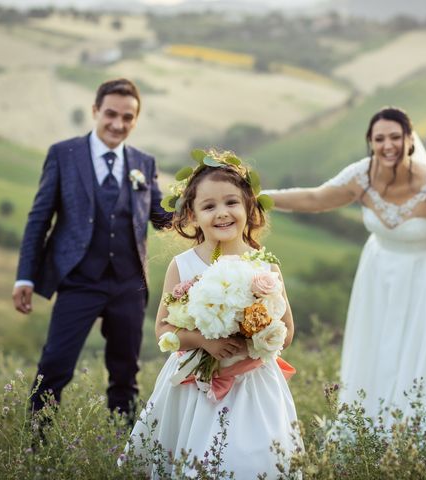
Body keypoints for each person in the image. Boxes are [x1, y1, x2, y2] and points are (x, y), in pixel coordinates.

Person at [263, 107, 426, 422]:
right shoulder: (362, 176)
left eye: (395, 137)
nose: (388, 145)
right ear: (370, 142)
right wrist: (262, 196)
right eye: (380, 138)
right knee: (382, 356)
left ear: (409, 139)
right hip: (379, 280)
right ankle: (383, 429)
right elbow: (316, 198)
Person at [120, 152, 301, 477]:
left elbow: (286, 328)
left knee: (256, 460)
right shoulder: (185, 265)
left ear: (248, 206)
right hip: (196, 387)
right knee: (197, 458)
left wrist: (260, 338)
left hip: (253, 383)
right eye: (209, 206)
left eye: (231, 202)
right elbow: (163, 328)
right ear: (192, 214)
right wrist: (204, 341)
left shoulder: (265, 266)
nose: (222, 213)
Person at [12, 78, 172, 420]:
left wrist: (205, 201)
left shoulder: (144, 163)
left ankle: (123, 453)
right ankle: (35, 450)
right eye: (111, 114)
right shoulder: (63, 154)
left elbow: (162, 218)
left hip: (129, 285)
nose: (118, 124)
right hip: (79, 281)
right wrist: (25, 276)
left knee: (126, 376)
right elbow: (39, 219)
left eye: (128, 117)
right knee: (54, 368)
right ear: (96, 111)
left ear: (135, 120)